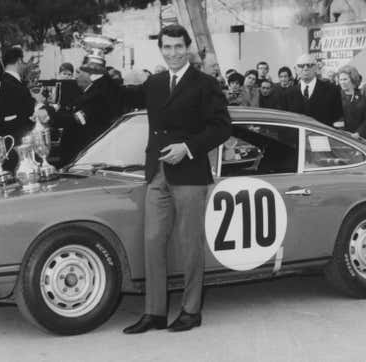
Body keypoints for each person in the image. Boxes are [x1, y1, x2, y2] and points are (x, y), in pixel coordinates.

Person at [122, 24, 231, 334]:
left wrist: (188, 147)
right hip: (157, 174)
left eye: (178, 47)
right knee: (152, 241)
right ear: (161, 50)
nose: (172, 53)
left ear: (188, 48)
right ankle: (154, 313)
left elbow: (222, 127)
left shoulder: (205, 84)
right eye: (167, 47)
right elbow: (116, 98)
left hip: (190, 174)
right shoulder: (154, 83)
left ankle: (191, 310)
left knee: (189, 244)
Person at [50, 56, 122, 167]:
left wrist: (49, 116)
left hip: (84, 156)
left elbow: (78, 118)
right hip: (78, 154)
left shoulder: (96, 96)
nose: (76, 76)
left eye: (79, 73)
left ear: (91, 75)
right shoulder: (86, 94)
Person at [280, 53, 343, 127]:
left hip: (324, 136)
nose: (305, 68)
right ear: (296, 69)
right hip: (296, 137)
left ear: (316, 67)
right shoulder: (288, 94)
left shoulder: (332, 90)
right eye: (301, 66)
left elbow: (338, 118)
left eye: (309, 65)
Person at [338, 65, 366, 137]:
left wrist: (359, 133)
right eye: (340, 80)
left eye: (345, 79)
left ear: (352, 80)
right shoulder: (335, 96)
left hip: (357, 138)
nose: (342, 82)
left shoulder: (362, 97)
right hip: (339, 136)